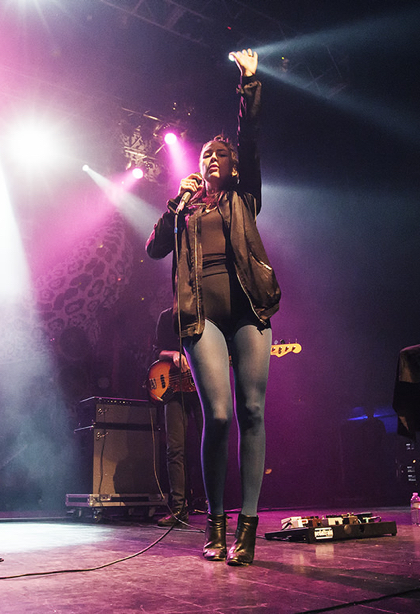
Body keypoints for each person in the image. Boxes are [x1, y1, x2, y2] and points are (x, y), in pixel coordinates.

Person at [145, 49, 280, 566]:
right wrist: (172, 204)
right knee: (218, 415)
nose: (211, 159)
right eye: (205, 156)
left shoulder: (245, 197)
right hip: (200, 316)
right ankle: (215, 524)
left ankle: (247, 527)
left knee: (251, 410)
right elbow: (155, 249)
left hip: (248, 308)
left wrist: (248, 83)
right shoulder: (185, 209)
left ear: (234, 165)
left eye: (220, 155)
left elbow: (249, 138)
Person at [153, 307, 203, 527]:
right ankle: (178, 510)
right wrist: (173, 354)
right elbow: (157, 351)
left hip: (202, 387)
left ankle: (215, 507)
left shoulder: (206, 313)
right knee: (175, 449)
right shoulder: (167, 316)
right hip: (174, 390)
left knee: (211, 446)